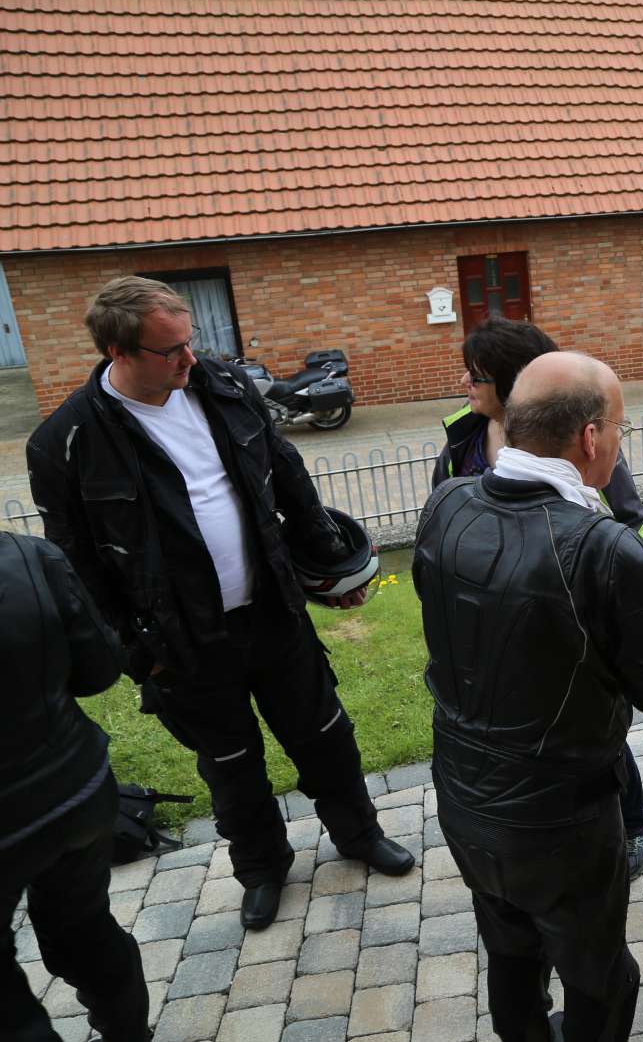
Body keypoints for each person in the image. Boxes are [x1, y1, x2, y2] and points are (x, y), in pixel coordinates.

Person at [25, 276, 413, 933]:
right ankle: (262, 871)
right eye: (170, 350)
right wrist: (137, 656)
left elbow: (286, 472)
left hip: (273, 613)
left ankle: (358, 834)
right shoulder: (67, 442)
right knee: (232, 771)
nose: (189, 359)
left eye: (190, 342)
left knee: (325, 735)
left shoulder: (226, 388)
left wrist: (333, 564)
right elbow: (78, 570)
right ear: (119, 352)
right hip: (183, 644)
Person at [414, 351, 643, 1042]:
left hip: (461, 797)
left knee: (509, 951)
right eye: (621, 429)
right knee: (601, 977)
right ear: (591, 439)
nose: (618, 444)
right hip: (559, 824)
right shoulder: (602, 547)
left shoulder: (447, 502)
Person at [432, 319, 643, 876]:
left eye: (476, 374)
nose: (464, 381)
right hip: (494, 622)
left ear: (511, 382)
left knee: (590, 727)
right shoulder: (462, 439)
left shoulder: (583, 440)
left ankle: (630, 821)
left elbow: (623, 523)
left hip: (565, 624)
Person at [1, 532, 149, 1042]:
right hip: (73, 792)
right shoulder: (29, 555)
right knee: (85, 933)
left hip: (60, 794)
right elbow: (99, 670)